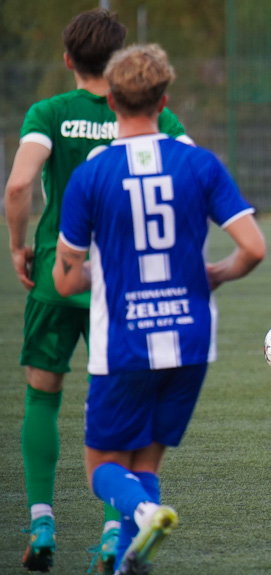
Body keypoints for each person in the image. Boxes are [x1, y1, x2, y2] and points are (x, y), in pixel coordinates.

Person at [51, 44, 265, 574]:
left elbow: (66, 276)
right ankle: (129, 562)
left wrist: (88, 275)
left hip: (124, 342)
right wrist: (214, 274)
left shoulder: (92, 173)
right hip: (190, 338)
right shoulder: (199, 162)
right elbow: (254, 248)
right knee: (145, 458)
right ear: (165, 99)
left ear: (112, 101)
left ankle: (145, 513)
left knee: (102, 465)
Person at [2, 9, 191, 572]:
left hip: (60, 281)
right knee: (123, 414)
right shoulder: (150, 114)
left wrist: (19, 245)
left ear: (67, 60)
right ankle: (114, 533)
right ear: (119, 61)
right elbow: (192, 172)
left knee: (42, 395)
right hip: (125, 289)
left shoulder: (49, 112)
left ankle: (42, 522)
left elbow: (17, 184)